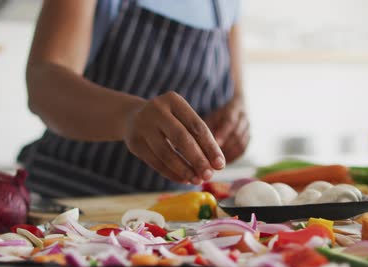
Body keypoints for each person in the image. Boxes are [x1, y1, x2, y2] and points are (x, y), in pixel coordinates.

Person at [18, 0, 249, 198]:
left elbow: (236, 94)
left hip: (171, 218)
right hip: (70, 199)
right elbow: (43, 83)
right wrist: (129, 117)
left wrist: (235, 119)